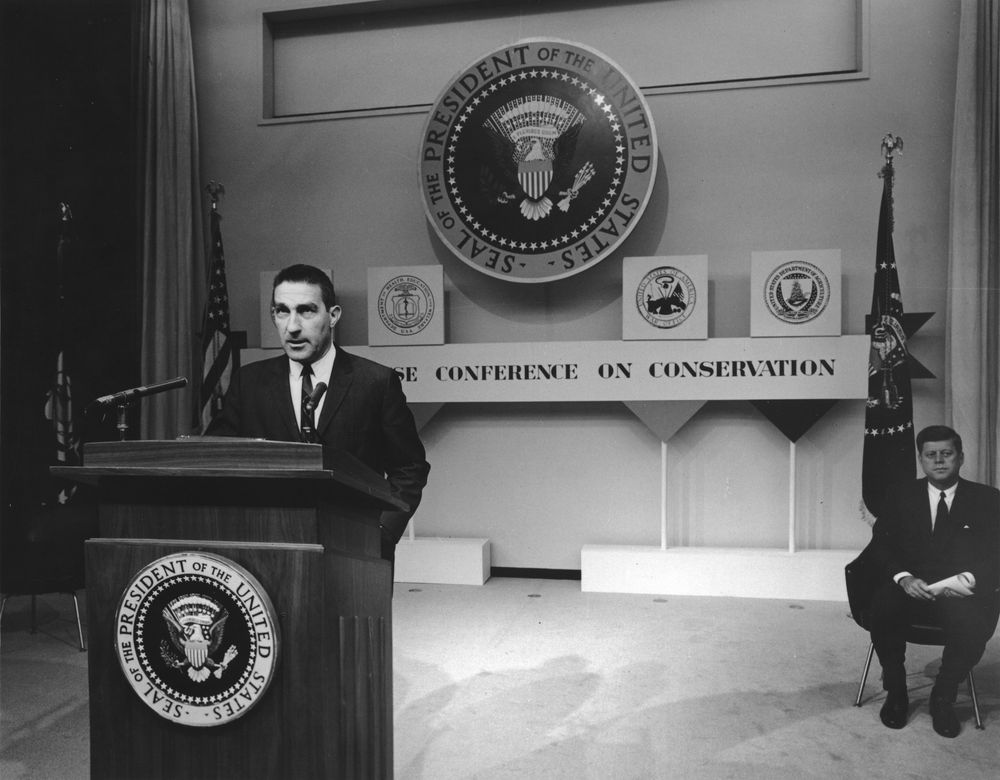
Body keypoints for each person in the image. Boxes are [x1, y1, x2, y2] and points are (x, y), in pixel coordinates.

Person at [206, 263, 430, 564]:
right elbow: (216, 457)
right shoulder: (249, 382)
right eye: (282, 311)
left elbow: (409, 468)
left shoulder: (376, 382)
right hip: (269, 547)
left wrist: (382, 531)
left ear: (333, 315)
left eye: (307, 311)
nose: (292, 326)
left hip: (357, 551)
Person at [867, 425, 999, 737]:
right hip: (910, 589)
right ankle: (897, 691)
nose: (939, 461)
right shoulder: (899, 495)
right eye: (931, 455)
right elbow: (881, 545)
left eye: (946, 454)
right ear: (921, 460)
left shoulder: (988, 498)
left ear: (961, 457)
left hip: (960, 593)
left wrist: (972, 579)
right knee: (883, 608)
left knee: (975, 622)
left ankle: (943, 695)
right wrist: (904, 578)